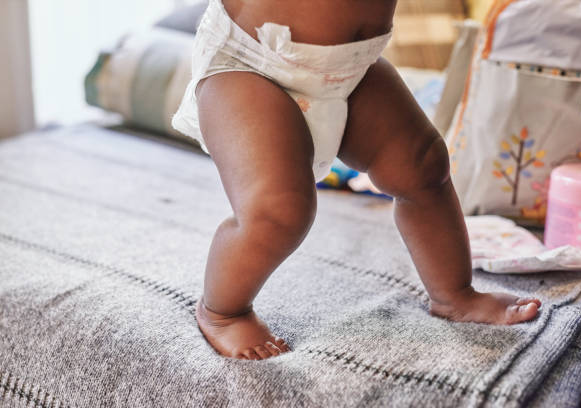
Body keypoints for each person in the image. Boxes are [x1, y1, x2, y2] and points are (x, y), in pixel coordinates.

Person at [172, 0, 542, 361]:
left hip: (352, 68)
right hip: (252, 61)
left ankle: (454, 295)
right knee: (279, 210)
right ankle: (223, 311)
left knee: (423, 166)